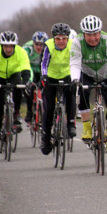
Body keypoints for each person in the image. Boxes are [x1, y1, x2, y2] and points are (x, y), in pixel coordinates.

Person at [70, 15, 107, 153]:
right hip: (86, 74)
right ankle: (87, 127)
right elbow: (75, 63)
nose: (93, 38)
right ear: (83, 34)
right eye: (89, 35)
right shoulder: (77, 42)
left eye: (95, 34)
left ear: (100, 32)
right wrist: (74, 80)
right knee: (81, 90)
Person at [0, 31, 31, 152]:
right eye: (6, 46)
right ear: (1, 46)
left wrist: (26, 81)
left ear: (14, 46)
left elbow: (25, 67)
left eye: (11, 46)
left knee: (19, 87)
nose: (8, 49)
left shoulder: (20, 51)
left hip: (14, 73)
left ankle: (16, 112)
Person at [39, 23, 77, 155]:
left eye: (64, 39)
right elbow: (44, 63)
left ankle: (71, 123)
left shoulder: (73, 45)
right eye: (58, 39)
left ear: (67, 38)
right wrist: (44, 76)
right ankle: (46, 138)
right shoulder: (48, 46)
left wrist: (77, 78)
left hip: (67, 75)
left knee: (72, 95)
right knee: (49, 108)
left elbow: (76, 62)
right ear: (54, 38)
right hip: (51, 77)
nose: (61, 41)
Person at [23, 31, 49, 123]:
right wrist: (29, 80)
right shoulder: (27, 48)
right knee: (29, 88)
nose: (39, 47)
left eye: (41, 45)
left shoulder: (48, 48)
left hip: (42, 70)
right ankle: (29, 111)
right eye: (36, 44)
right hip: (31, 69)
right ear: (33, 42)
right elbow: (25, 64)